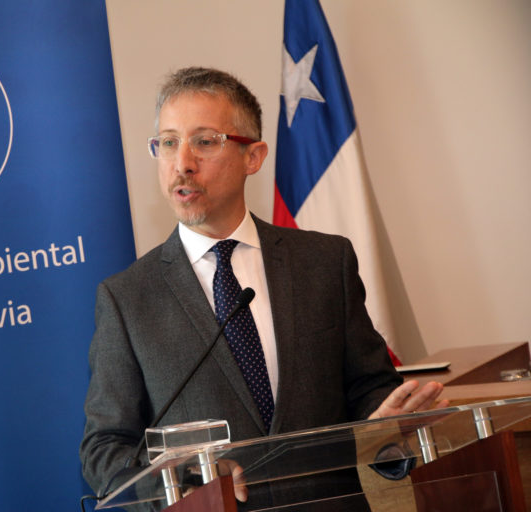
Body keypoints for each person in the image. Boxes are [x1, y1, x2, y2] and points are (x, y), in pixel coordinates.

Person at [80, 67, 446, 510]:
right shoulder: (127, 299)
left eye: (204, 141)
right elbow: (104, 449)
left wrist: (387, 433)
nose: (182, 163)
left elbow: (368, 390)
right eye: (169, 142)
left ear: (253, 157)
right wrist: (181, 479)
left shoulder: (324, 263)